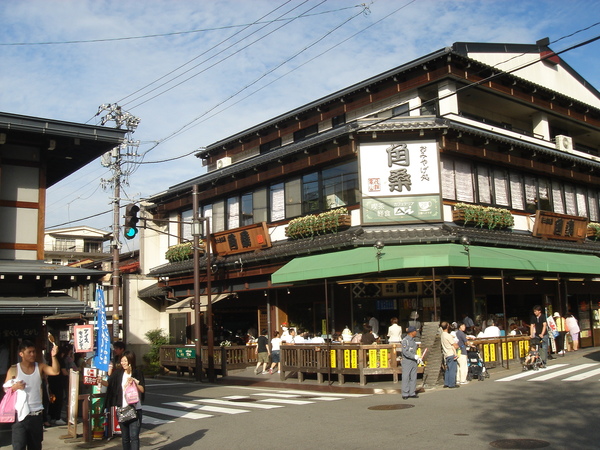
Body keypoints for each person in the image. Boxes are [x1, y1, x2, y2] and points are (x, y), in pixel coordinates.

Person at [4, 339, 60, 450]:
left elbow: (55, 371)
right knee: (18, 446)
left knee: (35, 447)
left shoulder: (40, 367)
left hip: (36, 415)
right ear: (21, 354)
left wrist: (53, 356)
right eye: (29, 352)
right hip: (19, 416)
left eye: (34, 351)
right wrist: (14, 387)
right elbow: (6, 389)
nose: (33, 354)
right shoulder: (14, 369)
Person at [102, 350, 145, 450]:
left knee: (134, 437)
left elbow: (142, 389)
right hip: (122, 409)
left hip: (135, 409)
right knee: (125, 438)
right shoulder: (118, 373)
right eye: (122, 361)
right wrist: (100, 381)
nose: (123, 363)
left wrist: (134, 381)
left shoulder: (137, 372)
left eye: (125, 361)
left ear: (131, 361)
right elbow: (109, 383)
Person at [47, 345, 69, 426]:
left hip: (51, 382)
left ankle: (52, 417)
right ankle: (57, 417)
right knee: (59, 400)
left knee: (52, 399)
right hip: (59, 383)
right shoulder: (61, 360)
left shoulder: (51, 360)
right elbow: (64, 372)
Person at [401, 326, 421, 399]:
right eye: (415, 331)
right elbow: (405, 352)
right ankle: (405, 393)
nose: (416, 332)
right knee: (406, 377)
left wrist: (417, 357)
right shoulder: (405, 340)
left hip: (413, 361)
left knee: (413, 376)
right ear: (412, 332)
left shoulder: (413, 340)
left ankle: (412, 392)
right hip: (407, 361)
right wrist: (413, 356)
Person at [440, 321, 459, 389]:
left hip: (446, 354)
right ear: (447, 326)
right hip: (451, 353)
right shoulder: (448, 335)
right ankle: (452, 384)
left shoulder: (442, 335)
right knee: (452, 369)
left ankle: (446, 383)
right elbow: (455, 345)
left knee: (447, 369)